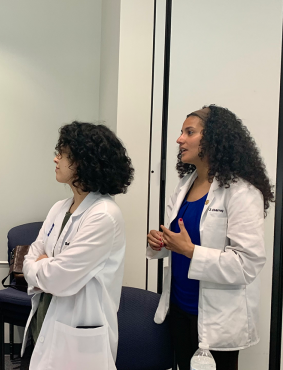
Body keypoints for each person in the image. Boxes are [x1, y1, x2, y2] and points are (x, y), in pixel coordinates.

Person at [146, 105, 273, 370]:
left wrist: (191, 251)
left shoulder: (241, 191)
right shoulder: (185, 185)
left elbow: (247, 263)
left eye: (189, 132)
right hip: (180, 308)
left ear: (214, 137)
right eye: (181, 132)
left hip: (217, 319)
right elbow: (178, 240)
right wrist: (161, 241)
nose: (180, 139)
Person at [20, 121, 134, 370]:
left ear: (85, 162)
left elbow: (59, 278)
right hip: (46, 322)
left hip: (79, 333)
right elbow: (31, 256)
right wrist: (41, 267)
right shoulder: (59, 208)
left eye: (63, 154)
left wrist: (42, 267)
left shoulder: (103, 215)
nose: (55, 159)